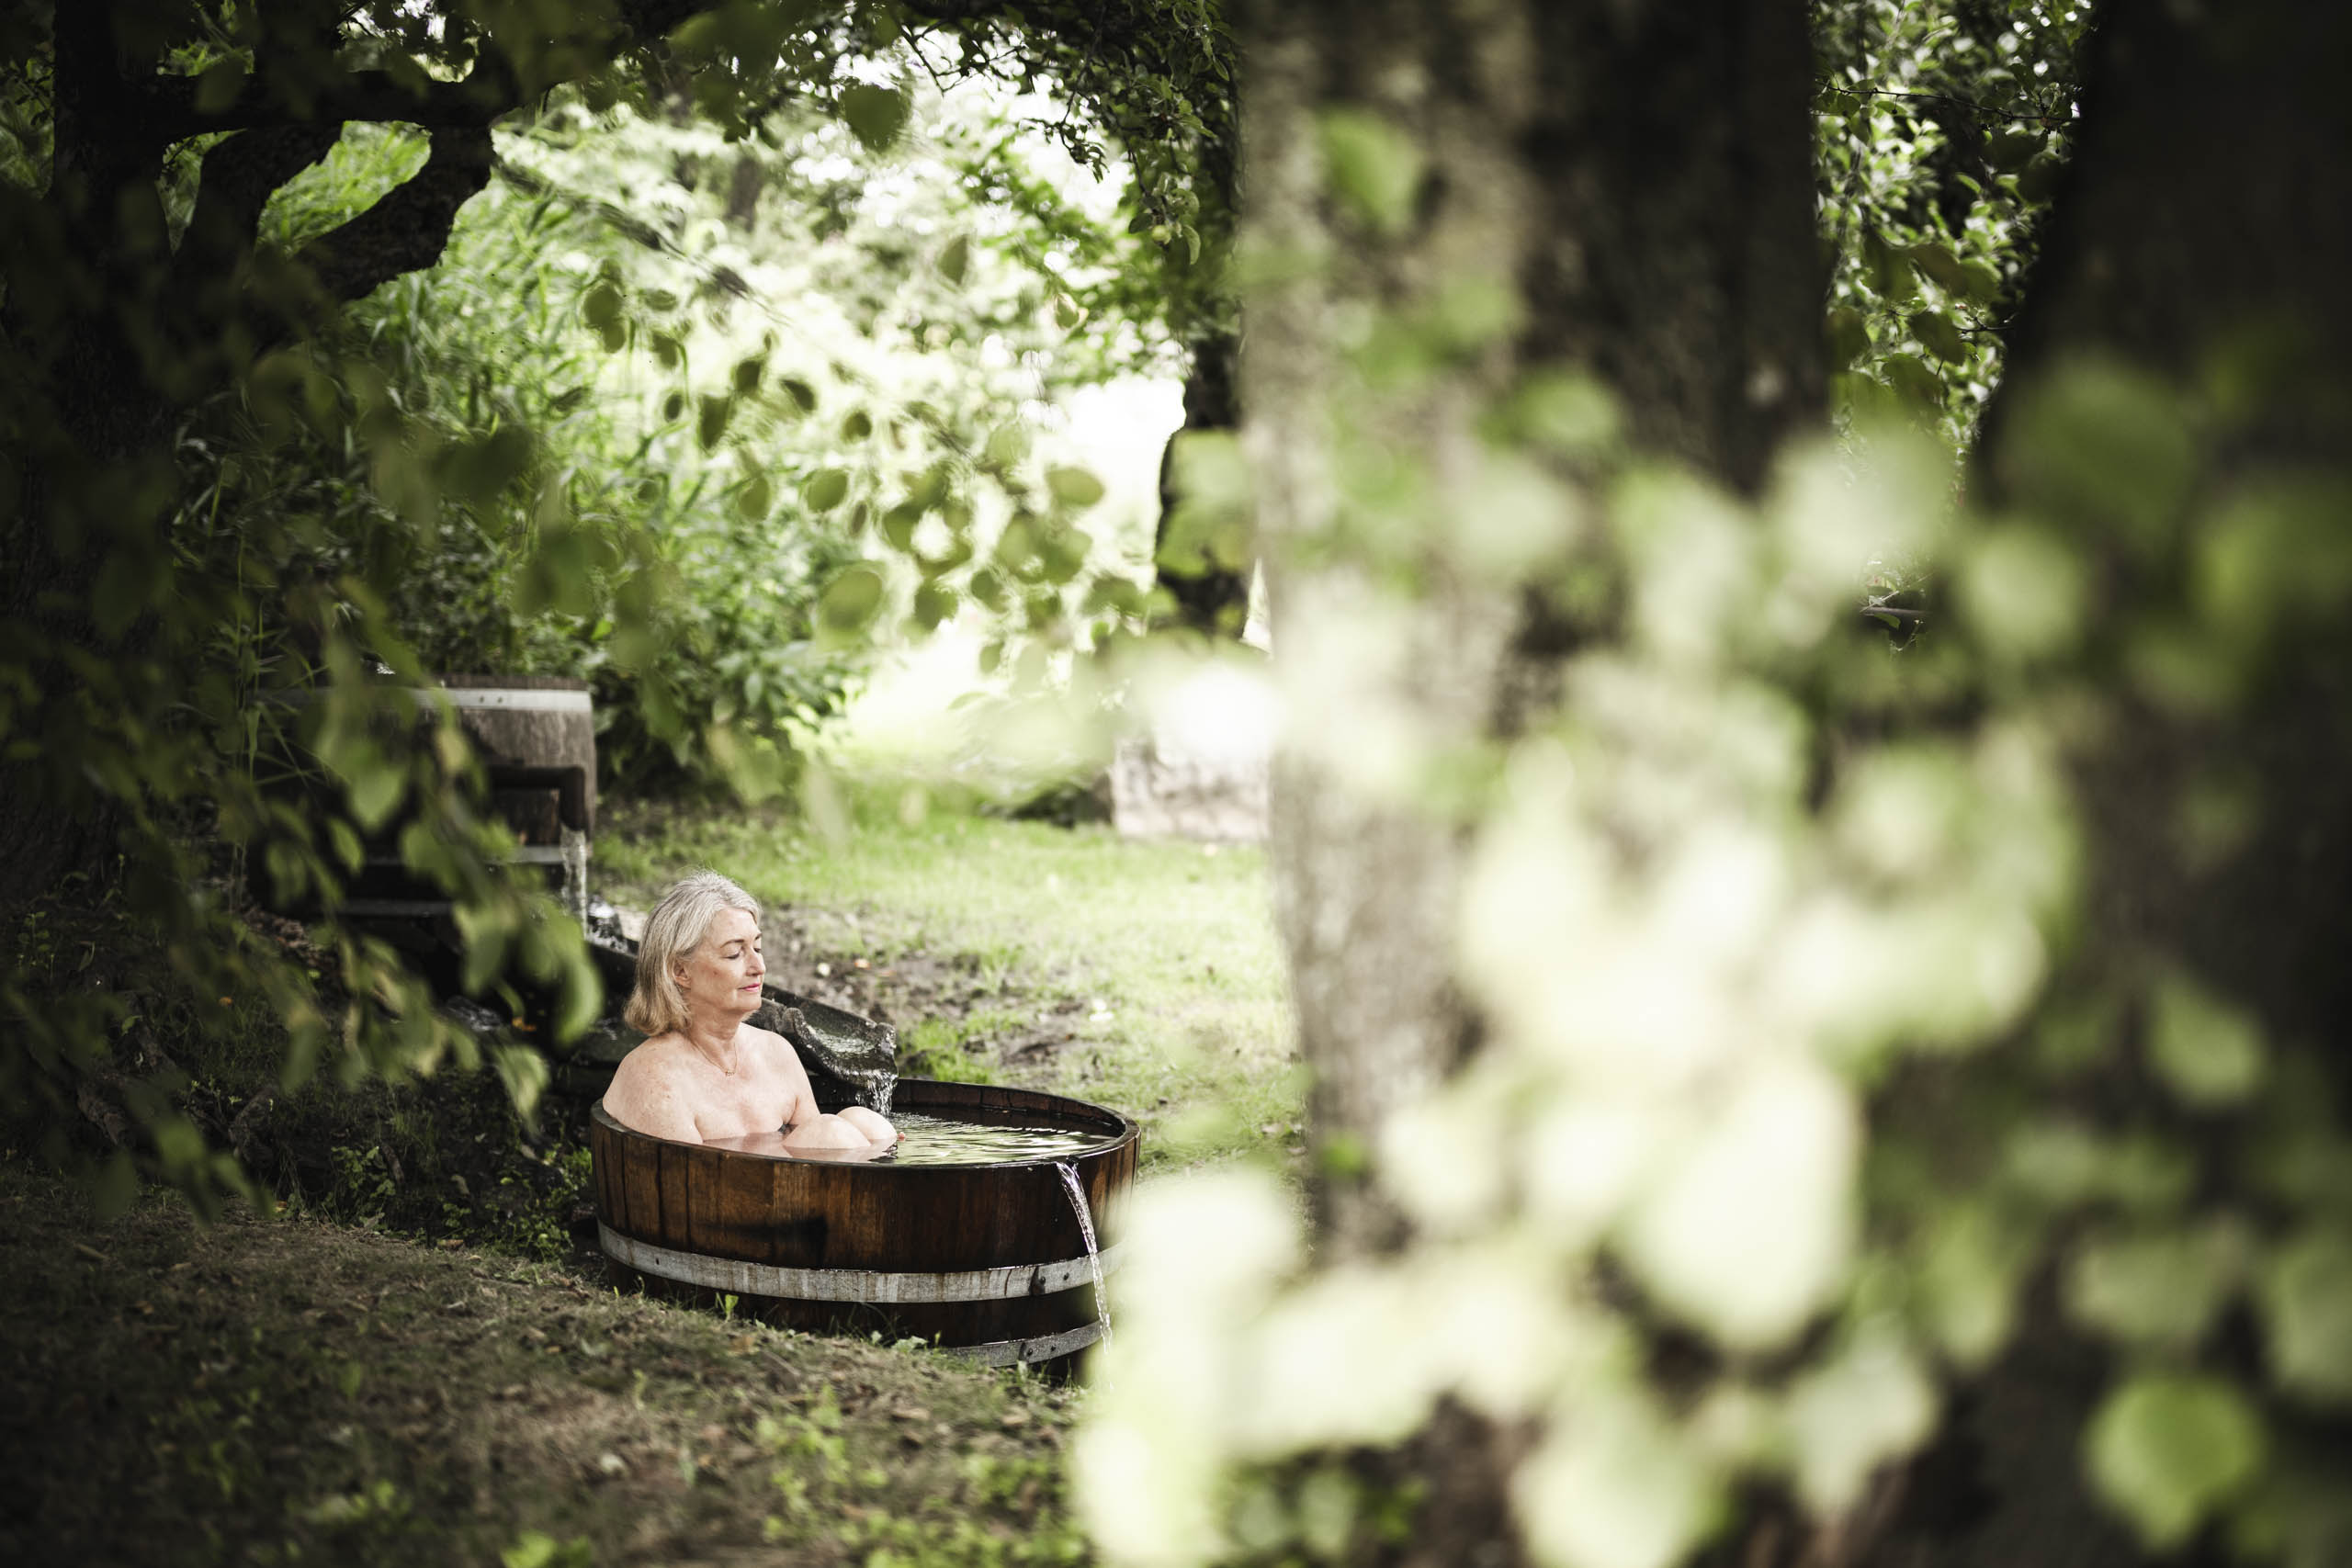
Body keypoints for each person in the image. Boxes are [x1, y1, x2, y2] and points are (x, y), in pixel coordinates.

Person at [602, 872, 899, 1158]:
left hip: (798, 1193)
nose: (759, 966)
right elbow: (692, 1191)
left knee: (864, 1122)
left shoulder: (775, 1051)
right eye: (735, 953)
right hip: (722, 1202)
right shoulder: (655, 1078)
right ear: (680, 971)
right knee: (831, 1131)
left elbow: (816, 1143)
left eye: (757, 947)